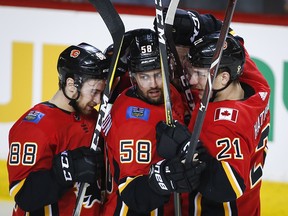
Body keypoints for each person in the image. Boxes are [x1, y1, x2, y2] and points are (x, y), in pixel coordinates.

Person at [156, 32, 271, 215]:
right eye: (192, 72)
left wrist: (187, 147)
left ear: (224, 78)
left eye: (201, 74)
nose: (193, 81)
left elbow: (229, 186)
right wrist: (200, 22)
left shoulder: (221, 123)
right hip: (249, 208)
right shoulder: (258, 87)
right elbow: (233, 44)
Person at [100, 28, 206, 215]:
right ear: (133, 78)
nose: (154, 84)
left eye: (158, 74)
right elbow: (133, 195)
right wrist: (165, 178)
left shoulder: (170, 92)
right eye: (144, 77)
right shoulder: (131, 123)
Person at [7, 43, 110, 216]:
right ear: (71, 85)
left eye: (101, 92)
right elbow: (24, 196)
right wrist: (66, 170)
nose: (98, 99)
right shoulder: (34, 127)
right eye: (93, 92)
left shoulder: (93, 118)